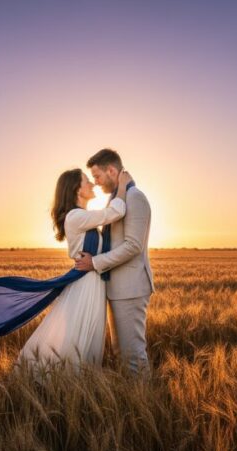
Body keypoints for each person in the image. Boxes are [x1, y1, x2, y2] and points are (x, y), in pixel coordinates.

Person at [0, 166, 133, 374]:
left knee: (85, 337)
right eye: (86, 180)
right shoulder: (75, 216)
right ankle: (56, 381)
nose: (92, 183)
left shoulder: (83, 216)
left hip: (92, 284)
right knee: (76, 337)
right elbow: (116, 211)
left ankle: (76, 383)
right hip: (85, 286)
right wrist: (122, 185)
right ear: (76, 189)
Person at [74, 148, 155, 378]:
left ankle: (145, 407)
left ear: (112, 170)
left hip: (130, 289)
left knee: (134, 357)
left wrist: (95, 263)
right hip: (117, 288)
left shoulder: (134, 197)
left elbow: (133, 246)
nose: (96, 183)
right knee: (122, 355)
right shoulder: (118, 198)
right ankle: (133, 404)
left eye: (98, 176)